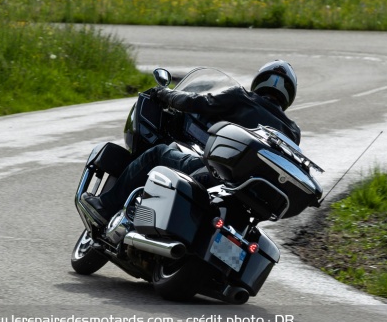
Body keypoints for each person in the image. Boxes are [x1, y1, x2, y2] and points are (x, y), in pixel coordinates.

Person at [80, 60, 301, 226]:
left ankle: (106, 207)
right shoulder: (292, 132)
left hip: (214, 174)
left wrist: (164, 93)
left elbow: (196, 102)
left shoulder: (242, 98)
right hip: (250, 194)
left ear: (259, 81)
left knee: (157, 154)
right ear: (289, 95)